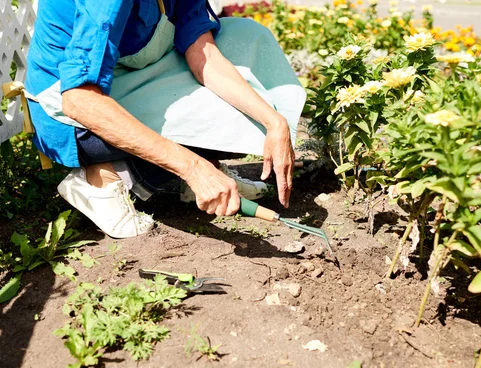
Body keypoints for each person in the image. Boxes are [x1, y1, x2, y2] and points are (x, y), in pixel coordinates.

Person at [25, 0, 306, 238]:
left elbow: (202, 51)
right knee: (206, 123)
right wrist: (192, 168)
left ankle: (195, 170)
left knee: (244, 39)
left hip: (132, 75)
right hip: (70, 106)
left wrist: (273, 121)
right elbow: (79, 99)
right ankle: (104, 179)